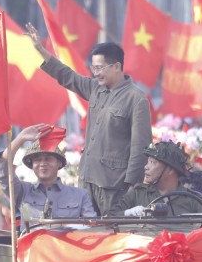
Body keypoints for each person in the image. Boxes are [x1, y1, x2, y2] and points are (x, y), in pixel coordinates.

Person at [26, 27, 151, 216]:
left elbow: (140, 146)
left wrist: (133, 185)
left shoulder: (136, 98)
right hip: (87, 179)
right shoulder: (95, 89)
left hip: (115, 186)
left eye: (100, 68)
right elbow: (67, 76)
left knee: (112, 232)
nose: (95, 73)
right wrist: (41, 50)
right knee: (85, 233)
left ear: (117, 66)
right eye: (93, 68)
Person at [0, 124, 96, 219]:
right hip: (33, 239)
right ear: (32, 165)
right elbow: (1, 170)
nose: (43, 163)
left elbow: (92, 228)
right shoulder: (22, 191)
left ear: (59, 163)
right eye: (37, 160)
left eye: (48, 159)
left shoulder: (79, 195)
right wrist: (21, 138)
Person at [111, 141, 202, 217]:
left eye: (152, 163)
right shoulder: (137, 194)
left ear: (170, 170)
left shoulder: (193, 199)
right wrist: (127, 213)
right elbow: (109, 217)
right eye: (148, 162)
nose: (146, 167)